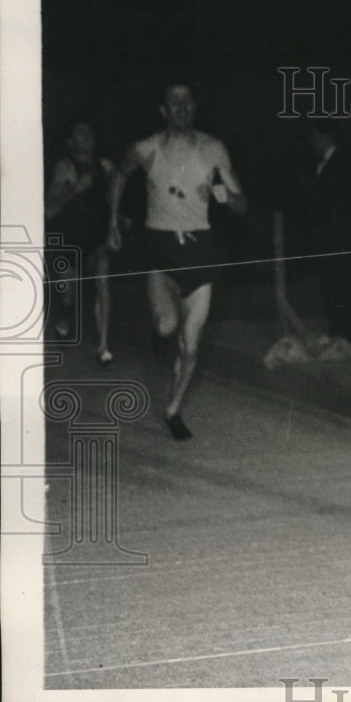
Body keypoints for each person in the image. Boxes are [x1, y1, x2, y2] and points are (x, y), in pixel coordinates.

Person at [107, 82, 247, 440]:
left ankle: (173, 410)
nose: (181, 106)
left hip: (200, 249)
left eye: (187, 101)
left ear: (194, 108)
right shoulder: (147, 148)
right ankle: (159, 332)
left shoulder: (214, 149)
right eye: (174, 101)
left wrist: (221, 194)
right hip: (160, 247)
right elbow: (119, 174)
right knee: (168, 326)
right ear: (163, 110)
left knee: (192, 342)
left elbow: (241, 203)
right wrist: (112, 222)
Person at [45, 120, 116, 364]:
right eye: (80, 133)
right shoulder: (64, 168)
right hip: (70, 242)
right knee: (68, 296)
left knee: (103, 280)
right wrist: (76, 187)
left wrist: (117, 221)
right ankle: (64, 318)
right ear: (70, 142)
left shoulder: (105, 166)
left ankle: (103, 346)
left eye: (89, 131)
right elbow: (49, 210)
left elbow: (110, 199)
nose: (87, 136)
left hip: (97, 240)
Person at [298, 120, 351, 350]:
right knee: (332, 286)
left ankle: (350, 337)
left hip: (342, 237)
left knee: (344, 286)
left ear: (326, 136)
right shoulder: (326, 163)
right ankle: (339, 333)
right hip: (330, 237)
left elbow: (347, 203)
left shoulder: (343, 162)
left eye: (314, 136)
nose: (311, 142)